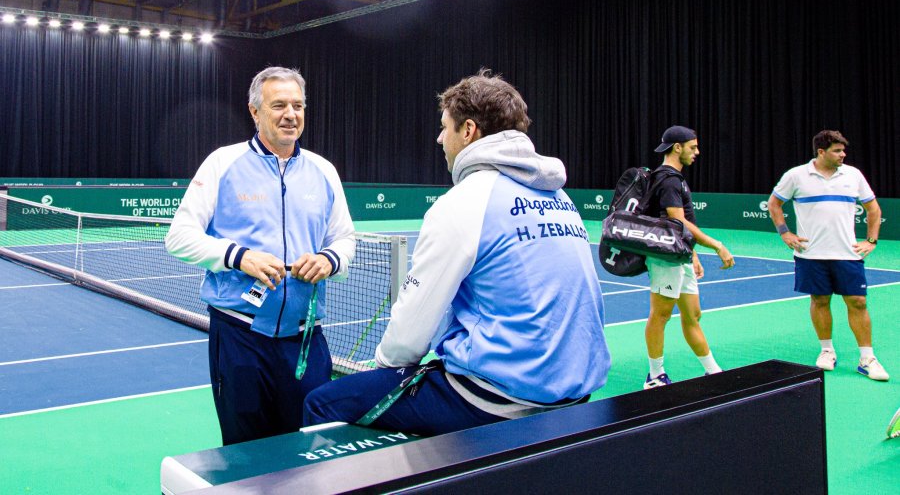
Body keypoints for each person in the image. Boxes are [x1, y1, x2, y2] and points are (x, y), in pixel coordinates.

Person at [302, 69, 611, 436]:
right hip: (578, 393)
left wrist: (384, 370)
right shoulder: (559, 198)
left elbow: (411, 331)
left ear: (468, 131)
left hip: (499, 398)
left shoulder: (465, 201)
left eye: (445, 127)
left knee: (322, 403)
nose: (439, 138)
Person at [165, 66, 356, 445]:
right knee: (245, 451)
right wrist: (239, 256)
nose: (291, 114)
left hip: (305, 341)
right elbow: (179, 237)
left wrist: (329, 260)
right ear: (255, 112)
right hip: (239, 337)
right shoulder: (222, 163)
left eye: (298, 105)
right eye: (279, 105)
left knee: (311, 447)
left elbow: (345, 239)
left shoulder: (324, 170)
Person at [767, 130, 888, 381]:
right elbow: (774, 203)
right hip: (810, 254)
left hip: (847, 254)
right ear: (821, 152)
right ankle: (827, 351)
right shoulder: (796, 175)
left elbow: (873, 208)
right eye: (837, 150)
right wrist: (785, 233)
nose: (843, 154)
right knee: (820, 300)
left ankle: (867, 358)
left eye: (843, 150)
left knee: (858, 302)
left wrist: (872, 240)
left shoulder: (853, 175)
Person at [642, 126, 735, 390]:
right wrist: (716, 245)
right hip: (665, 259)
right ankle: (655, 376)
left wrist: (692, 253)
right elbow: (677, 220)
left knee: (693, 315)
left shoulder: (676, 178)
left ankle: (712, 371)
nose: (697, 152)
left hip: (680, 256)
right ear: (677, 147)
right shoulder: (668, 179)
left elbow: (680, 225)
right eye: (693, 147)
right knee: (660, 315)